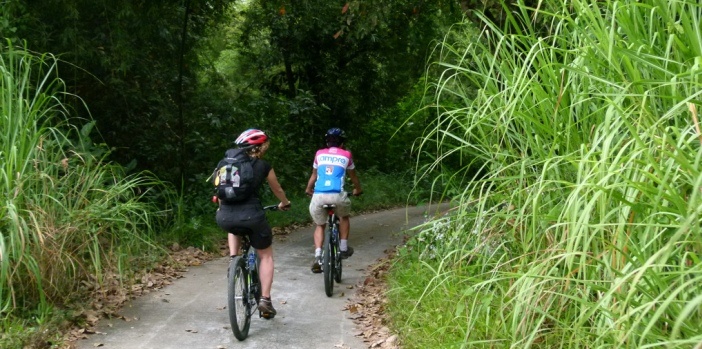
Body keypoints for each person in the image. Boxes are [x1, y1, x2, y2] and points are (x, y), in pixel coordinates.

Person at [215, 128, 291, 319]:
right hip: (252, 216)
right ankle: (265, 299)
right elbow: (277, 188)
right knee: (265, 256)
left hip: (224, 217)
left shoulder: (225, 164)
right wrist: (284, 202)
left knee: (234, 226)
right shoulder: (263, 165)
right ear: (260, 147)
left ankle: (233, 260)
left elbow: (219, 192)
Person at [305, 127, 362, 273]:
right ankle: (343, 247)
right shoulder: (346, 155)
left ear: (327, 142)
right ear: (342, 143)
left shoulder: (319, 154)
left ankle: (318, 256)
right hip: (337, 195)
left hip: (319, 195)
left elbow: (314, 176)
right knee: (344, 216)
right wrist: (357, 189)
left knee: (320, 225)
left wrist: (308, 189)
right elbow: (353, 177)